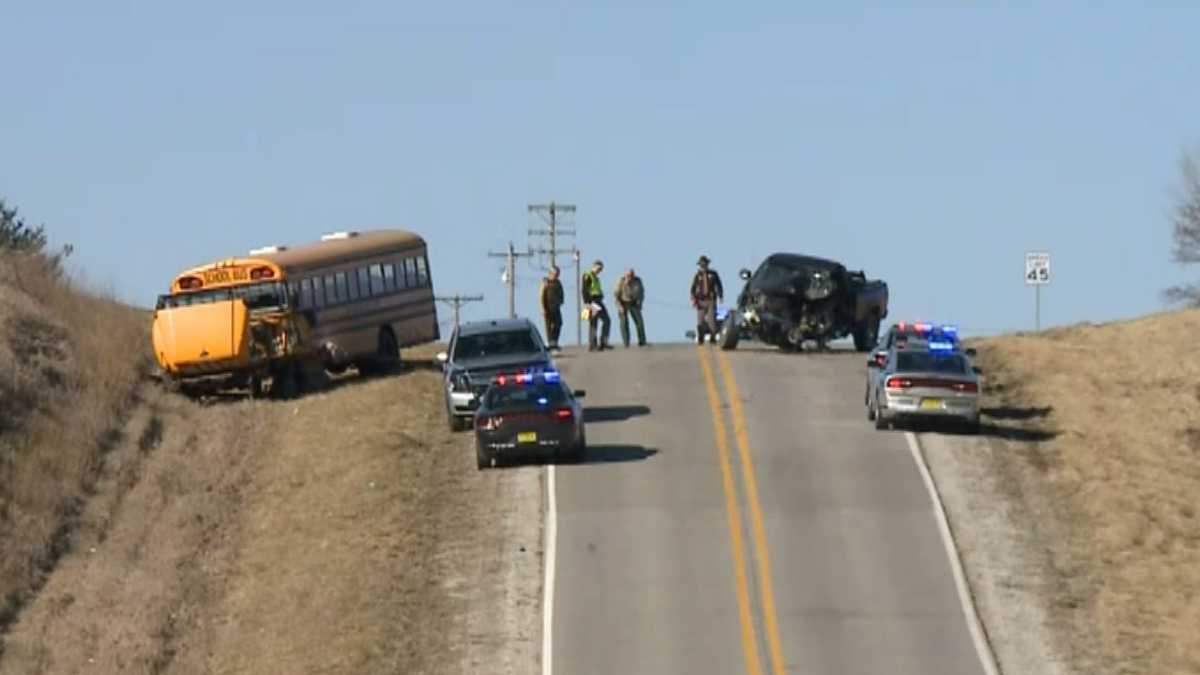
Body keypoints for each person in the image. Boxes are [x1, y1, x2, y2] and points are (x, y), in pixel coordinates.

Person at [690, 255, 724, 345]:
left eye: (704, 264)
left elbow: (719, 285)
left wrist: (720, 296)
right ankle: (701, 337)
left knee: (711, 320)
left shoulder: (713, 274)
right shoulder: (698, 275)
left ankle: (713, 337)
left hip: (711, 300)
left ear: (707, 264)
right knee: (700, 320)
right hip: (701, 300)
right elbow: (693, 287)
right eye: (701, 264)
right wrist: (693, 297)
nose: (703, 265)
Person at [581, 259, 611, 351]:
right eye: (598, 268)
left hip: (598, 301)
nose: (599, 271)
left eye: (601, 269)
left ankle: (603, 342)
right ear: (593, 266)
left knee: (606, 320)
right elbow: (584, 290)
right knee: (594, 322)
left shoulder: (596, 277)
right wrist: (587, 303)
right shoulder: (587, 275)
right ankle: (593, 345)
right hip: (592, 301)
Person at [613, 268, 647, 347]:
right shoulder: (621, 282)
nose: (630, 277)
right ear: (625, 275)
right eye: (628, 275)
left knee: (639, 322)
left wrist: (640, 303)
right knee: (624, 323)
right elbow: (616, 296)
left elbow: (641, 293)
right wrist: (619, 307)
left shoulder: (638, 281)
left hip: (633, 303)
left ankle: (642, 341)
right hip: (623, 302)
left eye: (632, 275)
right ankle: (626, 342)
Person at [539, 266, 565, 350]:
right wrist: (542, 308)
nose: (556, 275)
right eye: (555, 274)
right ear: (550, 273)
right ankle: (550, 343)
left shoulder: (558, 282)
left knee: (559, 323)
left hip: (556, 307)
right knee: (549, 326)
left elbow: (561, 292)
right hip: (548, 307)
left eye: (558, 274)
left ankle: (554, 342)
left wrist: (561, 301)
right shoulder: (545, 282)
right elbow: (541, 296)